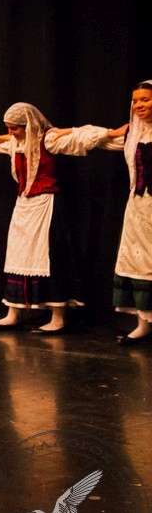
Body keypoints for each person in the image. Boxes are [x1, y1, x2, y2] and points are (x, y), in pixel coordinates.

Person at [0, 104, 120, 332]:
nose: (11, 132)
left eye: (15, 128)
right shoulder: (15, 143)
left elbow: (81, 138)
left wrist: (112, 133)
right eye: (8, 128)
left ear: (28, 125)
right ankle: (14, 311)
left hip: (46, 203)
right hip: (24, 205)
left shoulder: (49, 140)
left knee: (48, 258)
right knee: (18, 255)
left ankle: (58, 316)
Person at [112, 79, 152, 345]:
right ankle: (143, 323)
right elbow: (98, 137)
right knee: (140, 262)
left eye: (145, 100)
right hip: (139, 206)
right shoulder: (133, 134)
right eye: (135, 100)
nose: (139, 105)